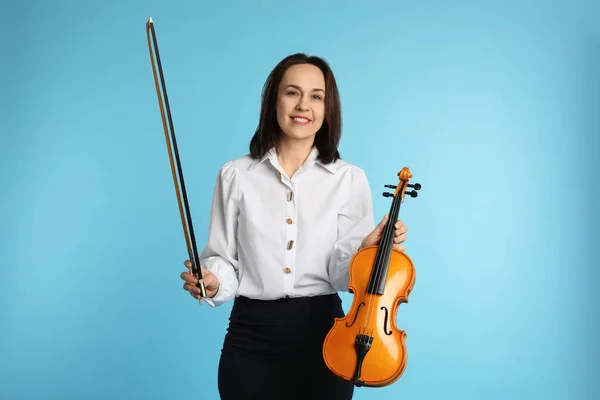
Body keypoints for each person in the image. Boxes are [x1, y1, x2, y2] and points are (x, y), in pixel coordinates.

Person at [180, 53, 408, 400]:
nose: (304, 105)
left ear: (328, 109)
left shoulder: (349, 179)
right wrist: (211, 281)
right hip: (250, 339)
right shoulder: (236, 175)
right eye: (292, 93)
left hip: (328, 340)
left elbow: (340, 274)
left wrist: (366, 250)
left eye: (316, 96)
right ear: (274, 100)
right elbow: (223, 260)